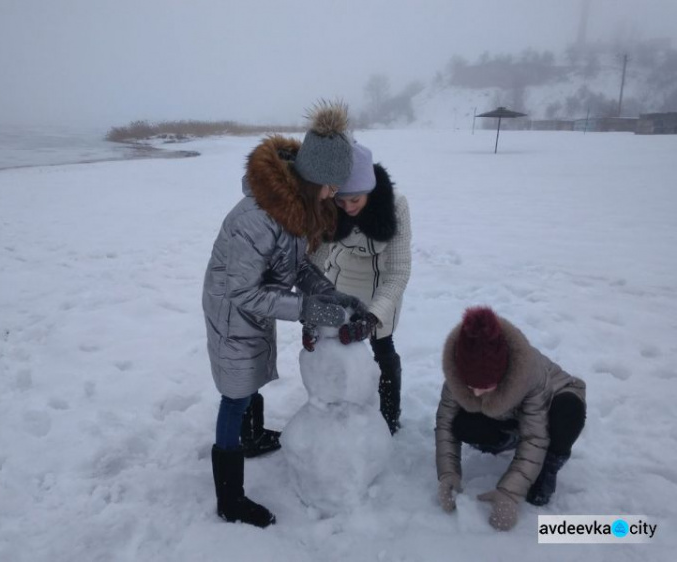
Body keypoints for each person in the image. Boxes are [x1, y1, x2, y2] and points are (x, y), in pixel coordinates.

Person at [203, 100, 363, 528]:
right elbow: (242, 291)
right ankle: (230, 498)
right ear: (312, 179)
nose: (335, 193)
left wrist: (331, 294)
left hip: (254, 300)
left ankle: (252, 438)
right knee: (236, 392)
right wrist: (307, 308)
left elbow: (295, 267)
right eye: (331, 185)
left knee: (253, 369)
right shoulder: (255, 220)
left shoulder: (295, 208)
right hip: (232, 305)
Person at [435, 306, 587, 531]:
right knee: (463, 424)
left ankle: (549, 465)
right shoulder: (459, 369)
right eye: (470, 386)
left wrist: (509, 492)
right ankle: (508, 439)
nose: (476, 393)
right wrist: (448, 474)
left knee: (567, 413)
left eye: (485, 386)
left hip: (555, 400)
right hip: (511, 412)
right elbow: (445, 423)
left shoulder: (530, 373)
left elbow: (535, 436)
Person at [308, 141, 412, 434]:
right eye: (341, 201)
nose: (348, 207)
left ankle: (390, 415)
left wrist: (372, 317)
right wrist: (312, 310)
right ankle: (339, 406)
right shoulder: (330, 203)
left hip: (381, 282)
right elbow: (315, 261)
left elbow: (399, 270)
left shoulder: (396, 205)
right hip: (342, 281)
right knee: (337, 342)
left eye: (355, 199)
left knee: (383, 347)